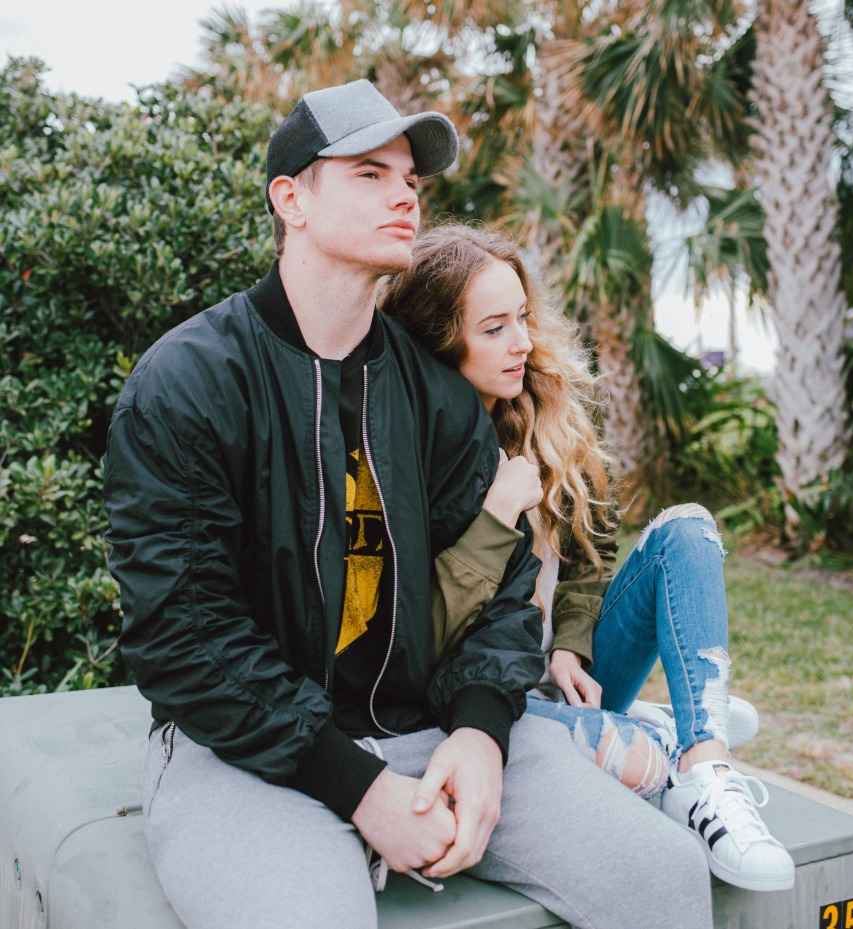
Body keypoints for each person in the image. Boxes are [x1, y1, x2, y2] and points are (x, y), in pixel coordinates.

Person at [103, 80, 713, 929]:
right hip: (242, 754)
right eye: (367, 172)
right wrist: (358, 788)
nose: (403, 194)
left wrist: (479, 732)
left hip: (430, 727)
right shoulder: (189, 384)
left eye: (412, 182)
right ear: (292, 200)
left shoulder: (437, 399)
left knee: (666, 879)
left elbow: (502, 594)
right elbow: (184, 635)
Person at [378, 221, 797, 894]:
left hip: (572, 675)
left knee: (686, 531)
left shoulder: (543, 409)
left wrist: (572, 645)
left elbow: (593, 549)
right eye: (493, 329)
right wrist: (495, 517)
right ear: (436, 342)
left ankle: (706, 764)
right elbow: (420, 638)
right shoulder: (408, 453)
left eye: (521, 317)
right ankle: (674, 727)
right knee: (631, 759)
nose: (522, 342)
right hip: (488, 704)